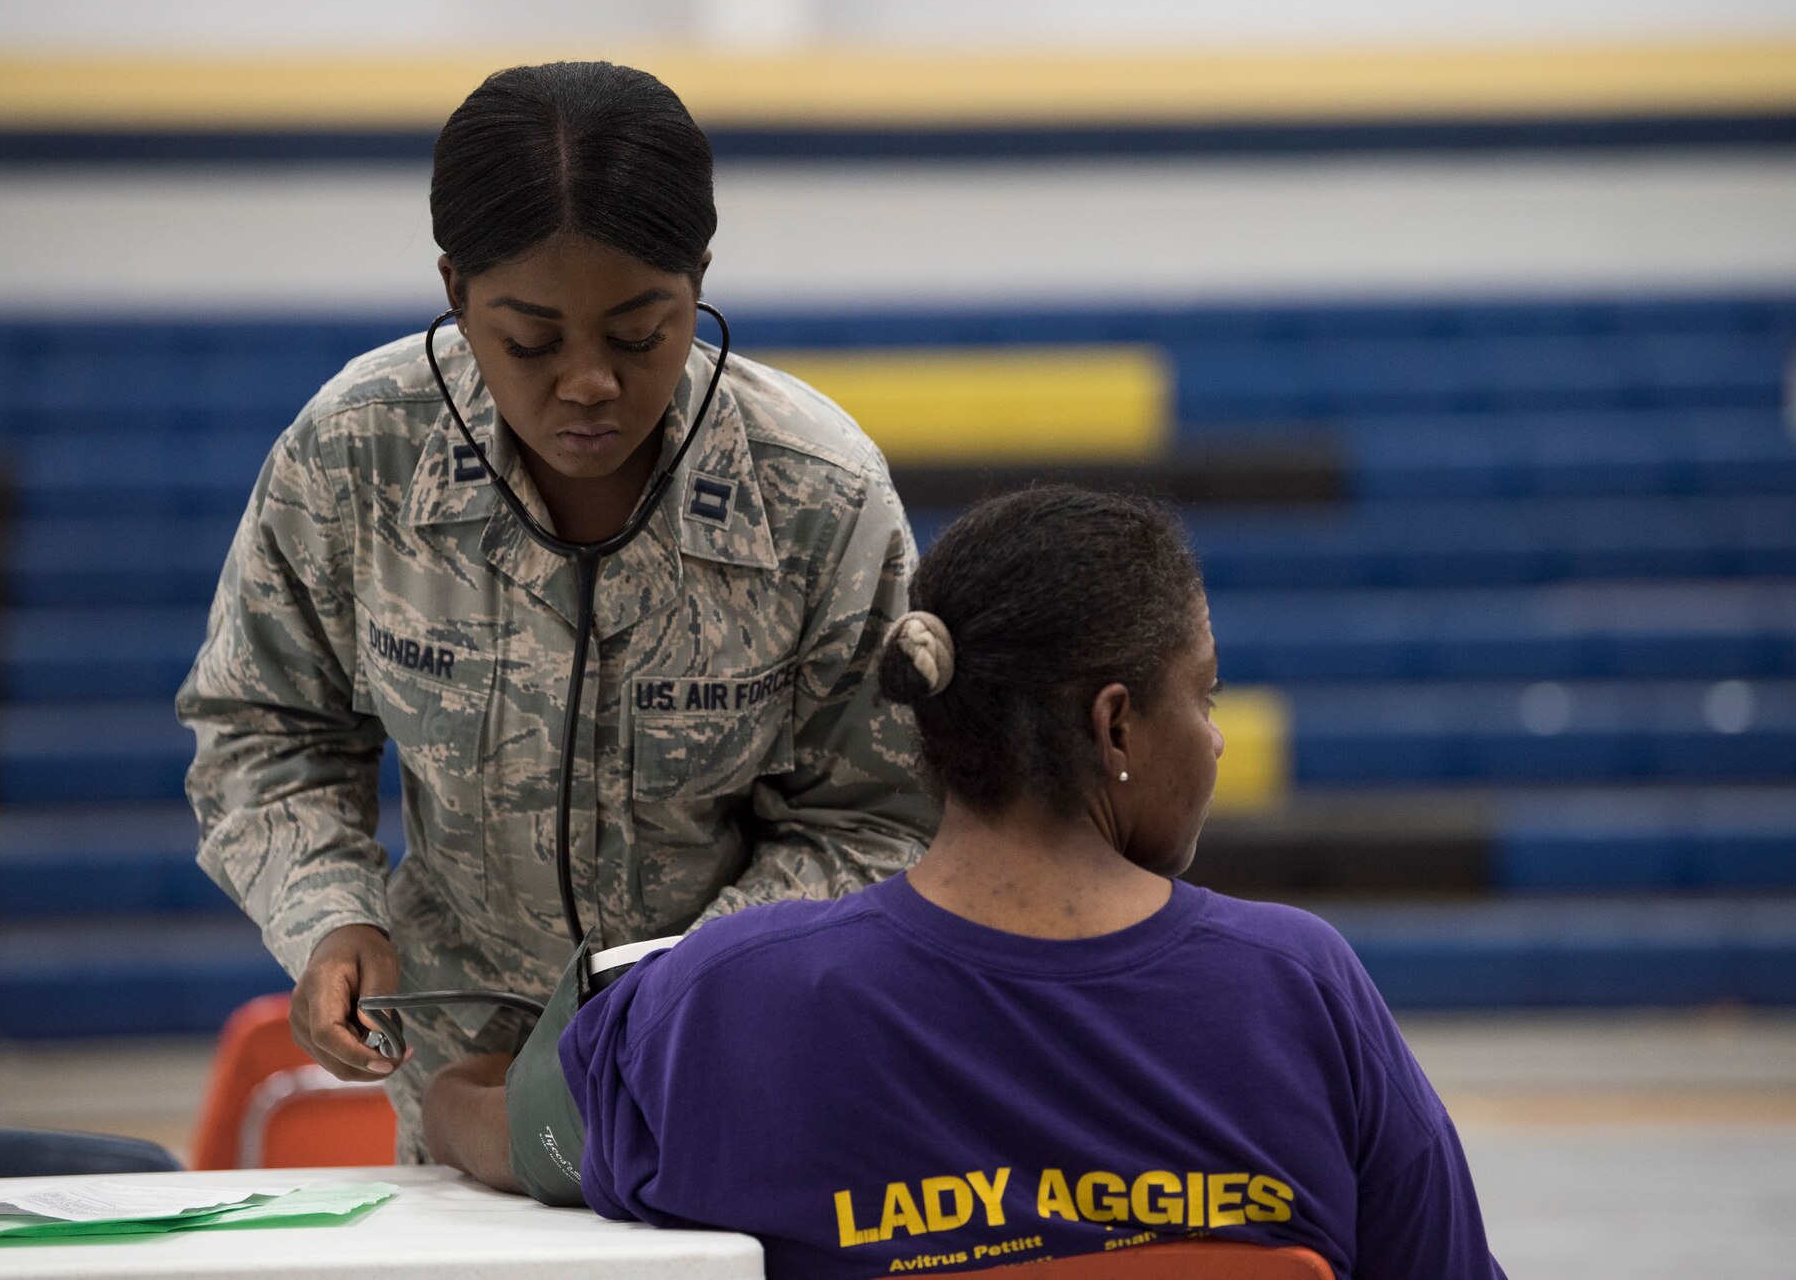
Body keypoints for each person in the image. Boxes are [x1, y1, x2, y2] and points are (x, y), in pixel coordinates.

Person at [422, 485, 1505, 1280]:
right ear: (1114, 721)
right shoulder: (1299, 991)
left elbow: (493, 1133)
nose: (1215, 742)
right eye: (1203, 696)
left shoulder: (726, 1004)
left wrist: (452, 1089)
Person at [177, 60, 934, 1159]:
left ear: (699, 276)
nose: (587, 383)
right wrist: (331, 915)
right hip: (458, 1085)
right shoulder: (358, 458)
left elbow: (878, 813)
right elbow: (261, 729)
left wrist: (673, 994)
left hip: (736, 1068)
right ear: (454, 293)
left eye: (640, 334)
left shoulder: (813, 492)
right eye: (530, 340)